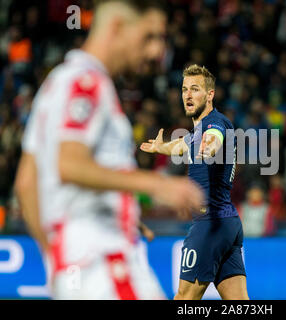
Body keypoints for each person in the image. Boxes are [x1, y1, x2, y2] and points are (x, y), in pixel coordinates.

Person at [14, 0, 204, 300]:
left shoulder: (57, 82)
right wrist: (157, 184)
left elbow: (27, 183)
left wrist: (60, 260)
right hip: (104, 263)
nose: (157, 52)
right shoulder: (87, 84)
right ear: (117, 27)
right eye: (149, 37)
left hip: (80, 267)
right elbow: (69, 164)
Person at [140, 64, 249, 300]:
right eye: (184, 89)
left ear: (210, 95)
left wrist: (210, 147)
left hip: (210, 224)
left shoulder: (214, 123)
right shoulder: (196, 132)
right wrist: (161, 147)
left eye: (195, 89)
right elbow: (182, 145)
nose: (188, 95)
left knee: (183, 299)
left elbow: (214, 138)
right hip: (228, 223)